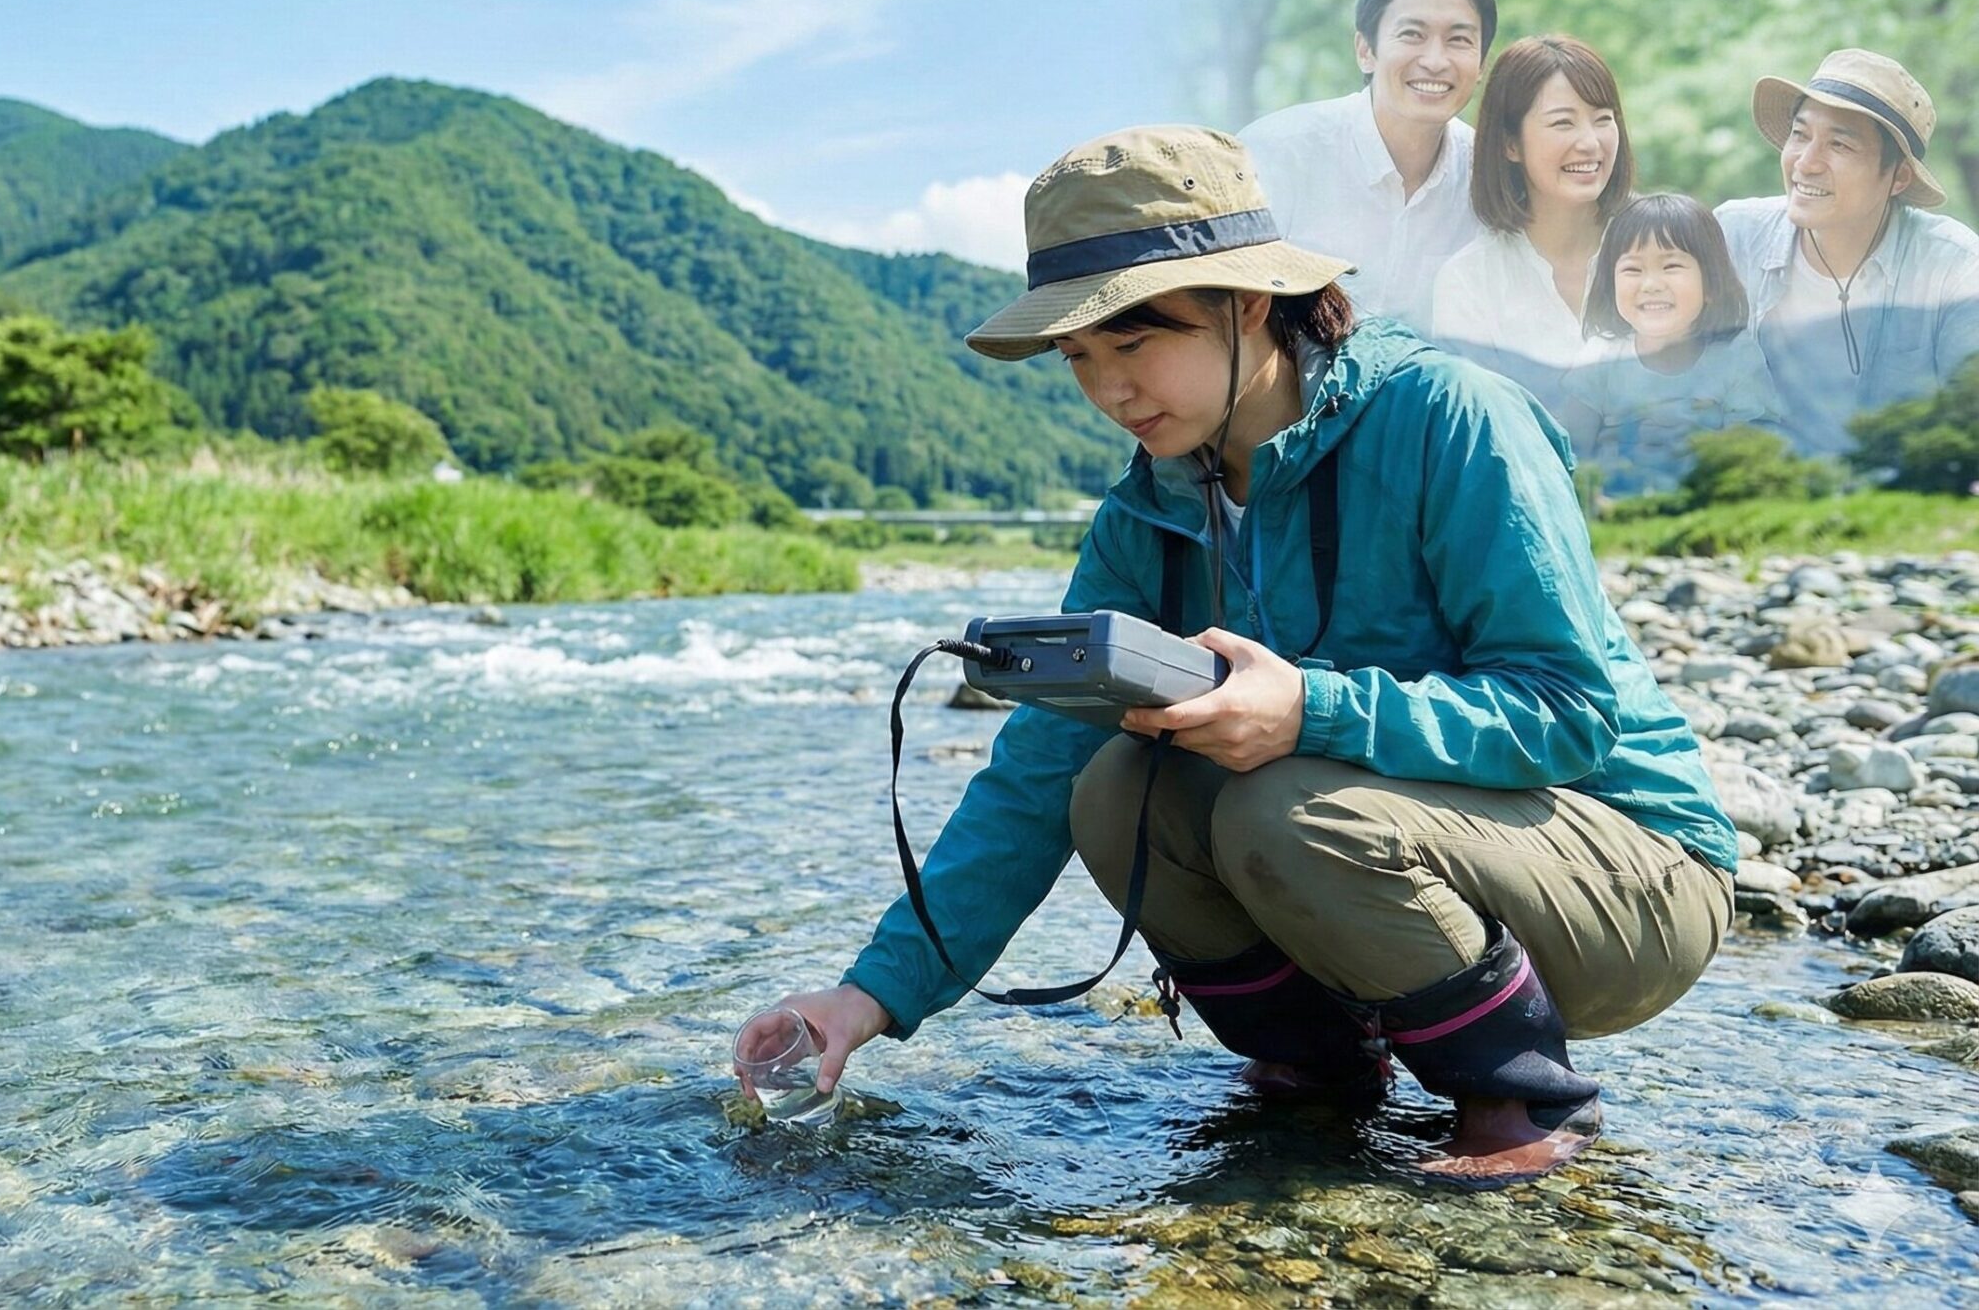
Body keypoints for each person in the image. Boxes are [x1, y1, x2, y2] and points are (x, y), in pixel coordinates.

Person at [742, 126, 1735, 1186]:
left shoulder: (1452, 419)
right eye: (1079, 357)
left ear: (1248, 302)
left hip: (1631, 877)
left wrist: (1310, 709)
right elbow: (1033, 775)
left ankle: (1519, 1099)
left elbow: (1567, 713)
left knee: (1282, 800)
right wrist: (867, 999)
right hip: (1418, 859)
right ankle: (1320, 1067)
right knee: (1115, 786)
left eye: (1134, 342)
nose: (1109, 389)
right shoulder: (1147, 516)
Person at [1716, 49, 1979, 457]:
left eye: (1840, 145)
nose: (1806, 162)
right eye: (1800, 135)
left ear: (1897, 177)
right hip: (1758, 497)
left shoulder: (1952, 267)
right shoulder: (1733, 238)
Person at [1236, 0, 1494, 332]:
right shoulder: (1276, 154)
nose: (1435, 61)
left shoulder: (1491, 180)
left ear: (1480, 66)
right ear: (1365, 51)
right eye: (1412, 34)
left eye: (1459, 40)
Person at [1430, 36, 1634, 413]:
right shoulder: (1471, 281)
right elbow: (1478, 427)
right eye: (1562, 123)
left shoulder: (1661, 245)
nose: (1590, 143)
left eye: (1603, 119)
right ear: (1511, 144)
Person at [1564, 195, 1768, 492]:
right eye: (1633, 270)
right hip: (1613, 516)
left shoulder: (1736, 357)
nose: (1651, 285)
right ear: (1611, 284)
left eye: (1671, 266)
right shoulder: (1601, 358)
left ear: (1711, 284)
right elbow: (1571, 454)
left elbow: (1753, 456)